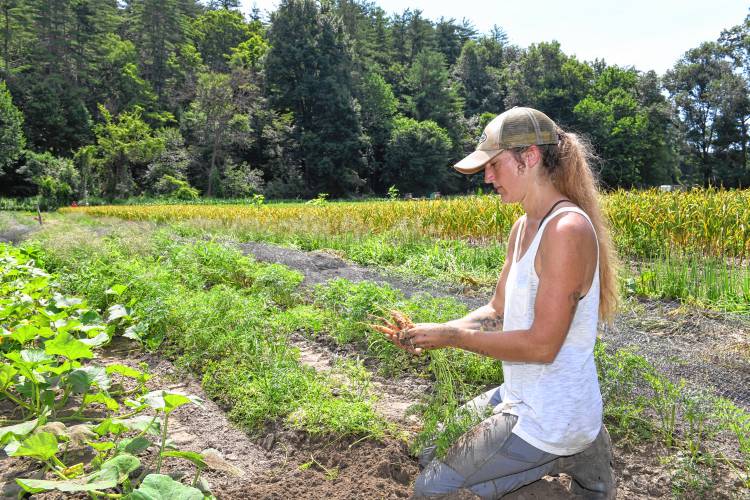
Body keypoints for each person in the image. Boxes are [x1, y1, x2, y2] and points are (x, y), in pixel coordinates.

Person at [384, 107, 619, 499]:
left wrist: (453, 337)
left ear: (528, 157)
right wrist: (429, 332)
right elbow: (497, 312)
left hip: (551, 413)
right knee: (428, 452)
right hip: (521, 393)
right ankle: (571, 456)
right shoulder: (523, 226)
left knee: (430, 490)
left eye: (494, 165)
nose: (487, 178)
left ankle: (569, 455)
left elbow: (542, 346)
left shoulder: (566, 229)